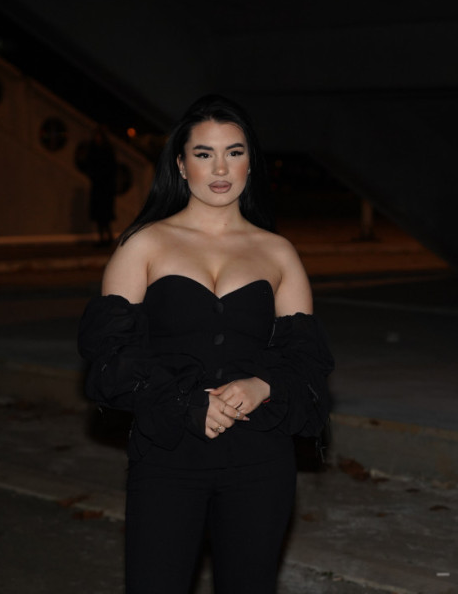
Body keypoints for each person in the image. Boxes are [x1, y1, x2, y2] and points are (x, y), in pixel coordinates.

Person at [77, 94, 333, 594]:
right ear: (181, 164)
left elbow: (306, 358)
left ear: (250, 163)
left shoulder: (278, 252)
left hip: (260, 457)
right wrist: (186, 402)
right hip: (168, 454)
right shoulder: (143, 244)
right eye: (204, 153)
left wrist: (263, 385)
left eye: (234, 152)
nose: (220, 168)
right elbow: (111, 356)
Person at [81, 126, 118, 246]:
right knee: (99, 214)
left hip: (106, 186)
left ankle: (108, 237)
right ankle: (102, 237)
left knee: (105, 214)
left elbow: (112, 167)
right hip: (98, 186)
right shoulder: (93, 149)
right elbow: (89, 164)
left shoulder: (107, 149)